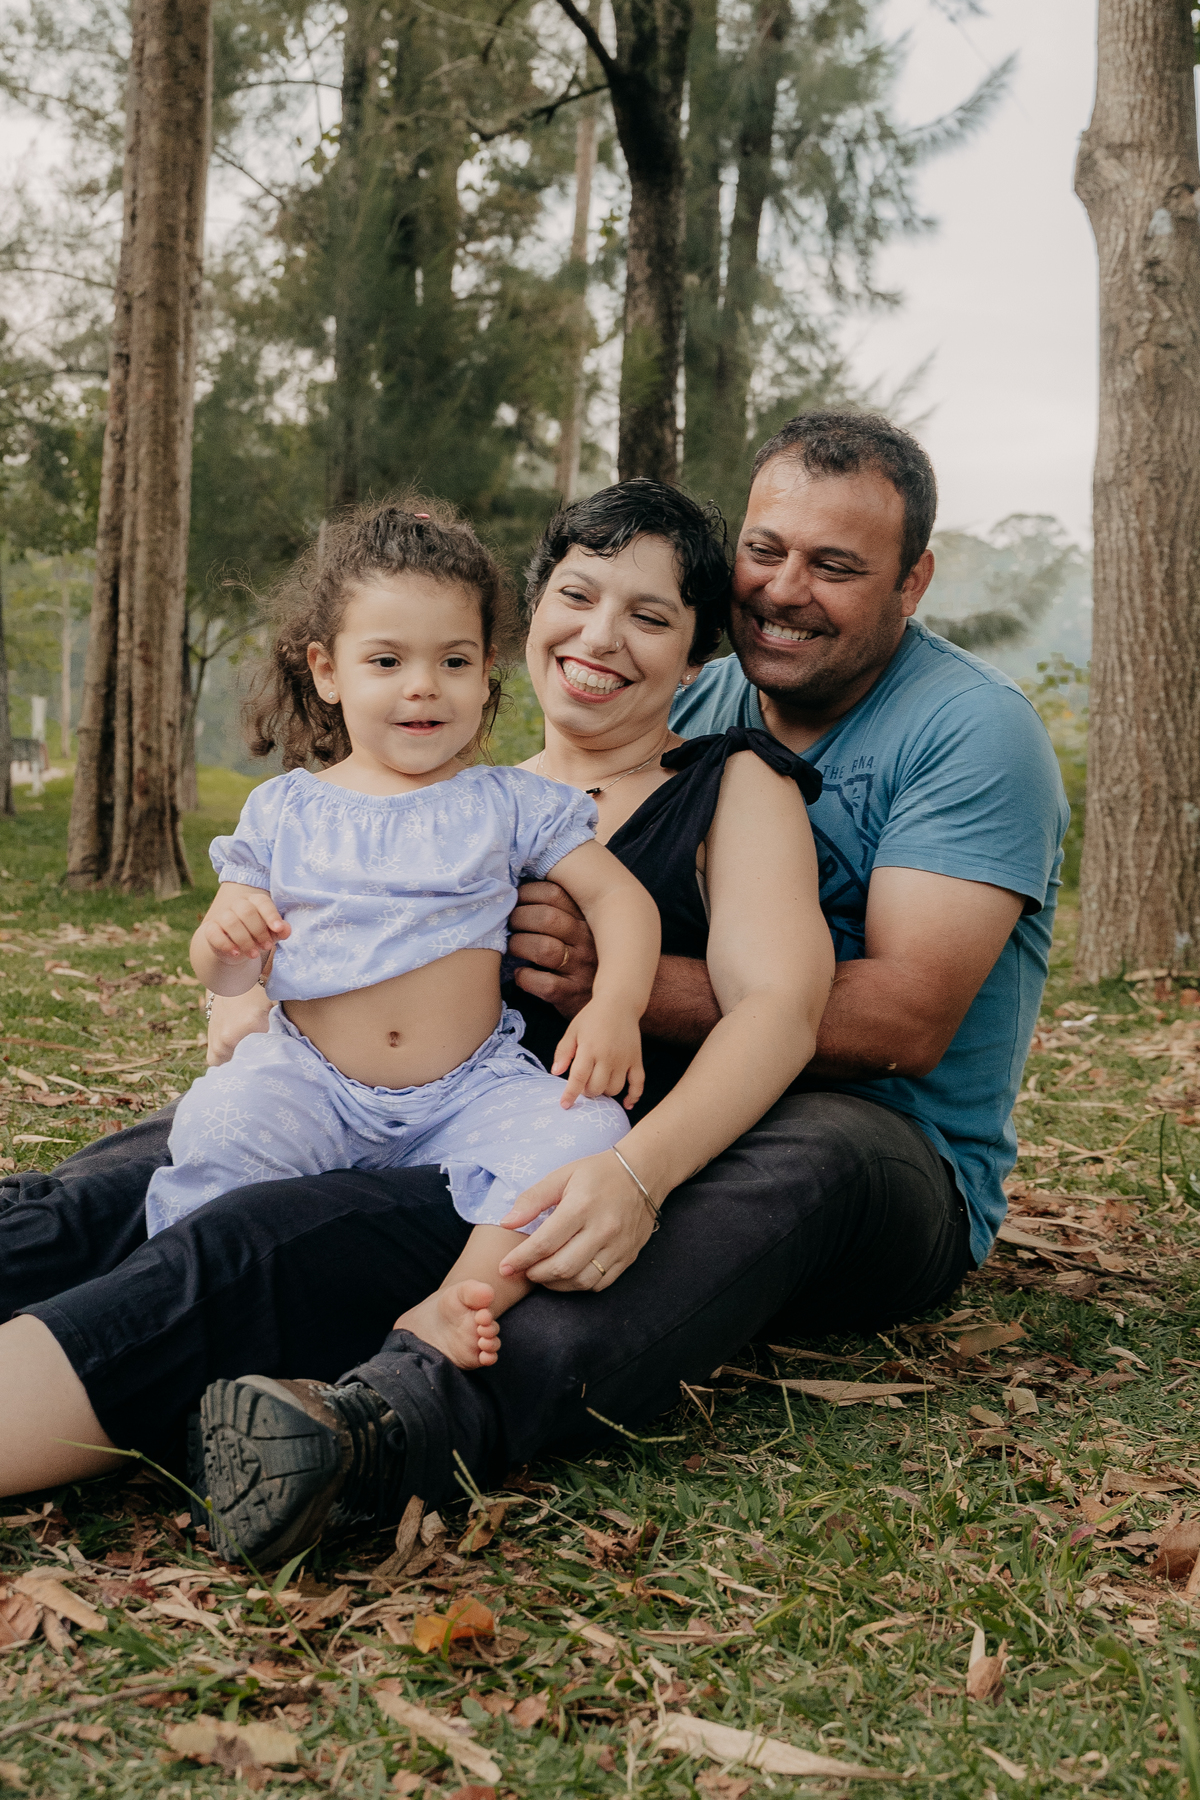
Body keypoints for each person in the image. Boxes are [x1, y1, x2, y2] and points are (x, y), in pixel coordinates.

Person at [0, 480, 836, 1561]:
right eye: (577, 595)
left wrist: (631, 1104)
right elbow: (269, 930)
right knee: (102, 1196)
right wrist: (239, 988)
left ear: (695, 656)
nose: (600, 635)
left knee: (239, 1248)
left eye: (649, 615)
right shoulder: (439, 783)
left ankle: (357, 1344)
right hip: (315, 1083)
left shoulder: (705, 786)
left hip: (481, 1119)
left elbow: (778, 1006)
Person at [146, 497, 664, 1371]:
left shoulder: (509, 803)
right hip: (312, 1080)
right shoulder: (285, 810)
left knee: (587, 1130)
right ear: (328, 670)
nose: (423, 686)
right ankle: (189, 1306)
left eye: (453, 661)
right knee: (219, 1124)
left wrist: (615, 1007)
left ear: (486, 672)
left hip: (468, 1089)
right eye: (387, 660)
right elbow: (226, 978)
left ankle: (460, 1298)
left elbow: (623, 902)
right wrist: (225, 944)